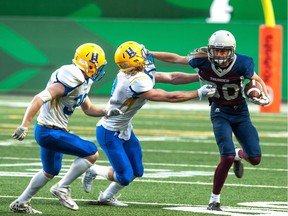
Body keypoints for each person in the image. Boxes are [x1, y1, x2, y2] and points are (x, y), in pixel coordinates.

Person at [81, 41, 216, 206]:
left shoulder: (136, 71)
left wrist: (199, 76)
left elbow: (171, 77)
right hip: (109, 132)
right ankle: (93, 170)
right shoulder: (135, 80)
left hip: (124, 128)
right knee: (124, 176)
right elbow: (168, 96)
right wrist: (197, 92)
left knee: (137, 171)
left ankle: (106, 197)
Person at [149, 30, 270, 211]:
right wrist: (149, 53)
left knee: (255, 158)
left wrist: (264, 97)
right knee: (226, 156)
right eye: (217, 51)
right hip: (219, 111)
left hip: (240, 113)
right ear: (210, 49)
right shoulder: (202, 59)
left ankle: (239, 155)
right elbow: (176, 59)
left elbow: (257, 79)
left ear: (232, 51)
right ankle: (214, 199)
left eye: (224, 51)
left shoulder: (243, 63)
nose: (220, 55)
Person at [9, 43, 122, 214]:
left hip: (52, 130)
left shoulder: (83, 80)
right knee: (91, 152)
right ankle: (62, 187)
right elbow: (38, 98)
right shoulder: (71, 76)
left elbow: (88, 108)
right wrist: (24, 125)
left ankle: (21, 202)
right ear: (87, 63)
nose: (99, 69)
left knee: (50, 171)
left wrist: (107, 111)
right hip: (49, 131)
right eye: (97, 66)